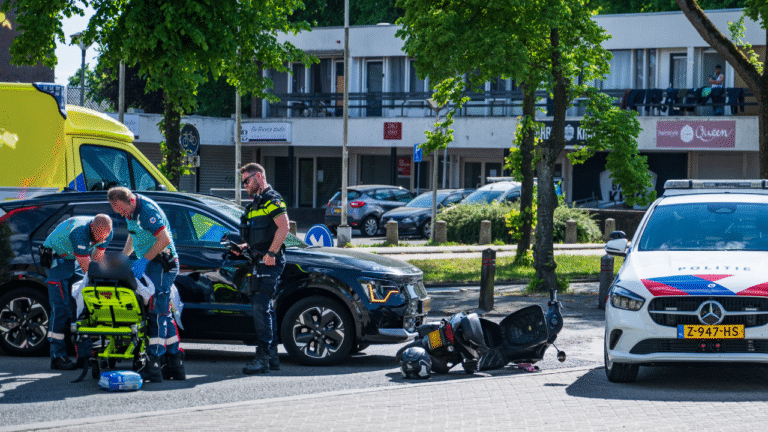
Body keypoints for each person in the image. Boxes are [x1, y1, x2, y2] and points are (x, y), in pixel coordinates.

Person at [108, 187, 186, 383]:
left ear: (131, 200)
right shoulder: (131, 211)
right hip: (152, 264)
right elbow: (132, 235)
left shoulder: (147, 211)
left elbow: (164, 239)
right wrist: (124, 257)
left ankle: (155, 363)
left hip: (161, 264)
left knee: (156, 313)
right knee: (164, 313)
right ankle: (175, 363)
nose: (122, 214)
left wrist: (143, 260)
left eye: (122, 210)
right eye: (118, 211)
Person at [236, 163, 290, 374]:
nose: (245, 185)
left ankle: (263, 358)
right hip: (258, 260)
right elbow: (260, 235)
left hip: (269, 262)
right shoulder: (255, 204)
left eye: (247, 180)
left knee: (260, 307)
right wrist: (243, 246)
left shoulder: (271, 198)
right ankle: (273, 358)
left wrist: (272, 253)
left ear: (259, 176)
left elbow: (284, 226)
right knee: (265, 309)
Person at [43, 215, 113, 370]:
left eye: (104, 237)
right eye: (97, 237)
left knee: (82, 305)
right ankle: (57, 356)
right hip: (57, 258)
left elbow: (96, 260)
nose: (100, 240)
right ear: (92, 227)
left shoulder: (107, 232)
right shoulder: (79, 233)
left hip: (73, 259)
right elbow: (88, 269)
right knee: (61, 307)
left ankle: (84, 354)